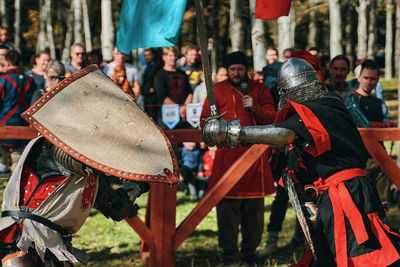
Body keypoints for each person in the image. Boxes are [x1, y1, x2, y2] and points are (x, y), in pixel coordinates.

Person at [202, 57, 400, 266]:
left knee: (361, 257)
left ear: (286, 91)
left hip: (347, 194)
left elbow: (282, 134)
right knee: (331, 255)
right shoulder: (327, 108)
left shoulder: (322, 107)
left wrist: (232, 131)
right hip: (340, 193)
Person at [0, 136, 149, 266]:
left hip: (53, 244)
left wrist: (139, 183)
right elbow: (73, 159)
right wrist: (123, 163)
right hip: (20, 240)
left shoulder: (91, 173)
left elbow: (116, 207)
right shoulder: (52, 146)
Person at [200, 51, 276, 265]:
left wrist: (255, 107)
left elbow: (273, 118)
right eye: (232, 69)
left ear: (247, 70)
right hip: (226, 160)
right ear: (227, 70)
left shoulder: (259, 89)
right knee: (227, 210)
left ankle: (249, 252)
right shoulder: (216, 91)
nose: (236, 73)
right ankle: (229, 253)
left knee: (254, 211)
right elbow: (204, 122)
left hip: (254, 160)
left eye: (240, 69)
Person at [344, 60, 393, 209]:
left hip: (381, 158)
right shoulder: (350, 100)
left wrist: (383, 127)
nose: (369, 82)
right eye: (366, 77)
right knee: (360, 204)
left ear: (377, 80)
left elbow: (388, 124)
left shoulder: (379, 103)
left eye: (373, 78)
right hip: (358, 159)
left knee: (382, 204)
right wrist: (382, 127)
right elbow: (365, 125)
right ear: (359, 78)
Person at [0, 50, 36, 172]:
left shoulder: (2, 80)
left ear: (7, 62)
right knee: (18, 161)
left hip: (4, 128)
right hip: (25, 129)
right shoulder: (30, 81)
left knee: (4, 160)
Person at [154, 47, 192, 128]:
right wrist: (178, 109)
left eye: (175, 55)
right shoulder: (159, 75)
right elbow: (162, 97)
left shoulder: (182, 73)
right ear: (164, 57)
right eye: (170, 55)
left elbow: (189, 93)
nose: (173, 58)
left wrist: (184, 107)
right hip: (167, 116)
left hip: (184, 115)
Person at [141, 48, 163, 121]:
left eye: (149, 55)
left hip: (154, 98)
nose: (147, 57)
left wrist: (153, 87)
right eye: (145, 55)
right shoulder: (147, 66)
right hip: (146, 96)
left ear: (153, 55)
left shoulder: (158, 65)